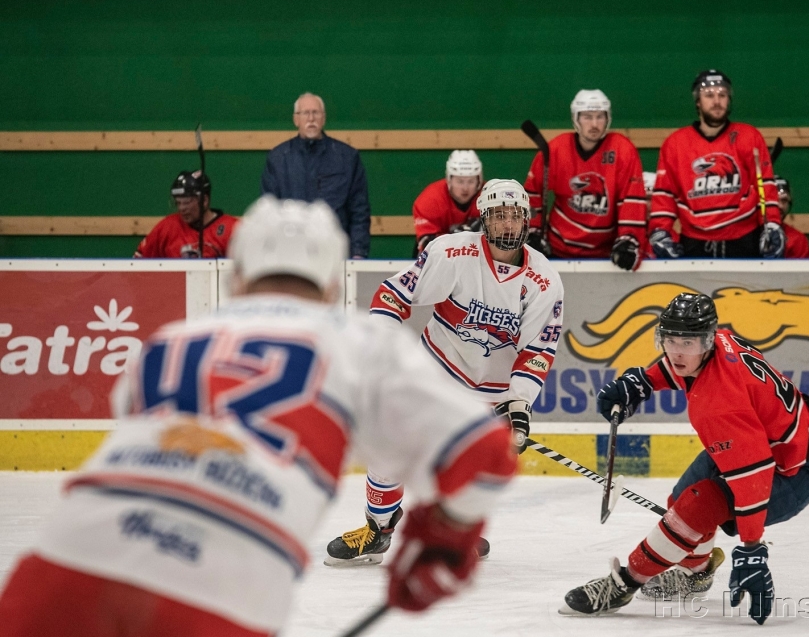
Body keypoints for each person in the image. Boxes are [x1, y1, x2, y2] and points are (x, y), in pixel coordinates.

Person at [0, 197, 518, 636]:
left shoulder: (171, 340)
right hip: (217, 595)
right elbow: (488, 456)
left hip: (59, 568)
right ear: (334, 285)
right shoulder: (359, 341)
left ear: (238, 274)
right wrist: (441, 543)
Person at [325, 179, 564, 565]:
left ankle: (455, 531)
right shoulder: (452, 253)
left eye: (515, 216)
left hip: (491, 391)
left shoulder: (545, 281)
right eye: (499, 216)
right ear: (484, 220)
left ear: (527, 220)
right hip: (435, 371)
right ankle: (377, 530)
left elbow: (539, 349)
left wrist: (518, 403)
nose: (507, 225)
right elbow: (393, 295)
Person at [561, 292, 809, 625]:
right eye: (669, 339)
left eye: (686, 343)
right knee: (680, 501)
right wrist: (644, 382)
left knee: (694, 509)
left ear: (705, 341)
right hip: (774, 441)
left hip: (793, 473)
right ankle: (695, 574)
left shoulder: (719, 406)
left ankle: (623, 584)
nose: (676, 351)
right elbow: (682, 368)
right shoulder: (721, 340)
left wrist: (751, 550)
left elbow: (753, 480)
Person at [649, 70, 785, 259]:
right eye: (709, 96)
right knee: (692, 291)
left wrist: (772, 223)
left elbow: (765, 185)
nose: (717, 101)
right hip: (694, 242)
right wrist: (660, 231)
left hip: (744, 241)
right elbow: (665, 194)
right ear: (698, 101)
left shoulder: (749, 137)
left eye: (722, 95)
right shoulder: (675, 144)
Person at [523, 89, 648, 271]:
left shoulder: (622, 150)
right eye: (587, 117)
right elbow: (531, 194)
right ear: (576, 119)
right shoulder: (556, 149)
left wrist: (629, 238)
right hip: (558, 251)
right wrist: (532, 231)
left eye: (600, 117)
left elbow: (631, 200)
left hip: (606, 255)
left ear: (608, 118)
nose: (594, 124)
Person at [260, 92, 371, 258]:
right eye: (305, 113)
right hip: (290, 256)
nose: (311, 118)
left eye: (316, 112)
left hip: (335, 256)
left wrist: (358, 254)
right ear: (296, 119)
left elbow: (359, 211)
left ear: (323, 118)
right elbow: (269, 213)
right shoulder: (277, 159)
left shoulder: (347, 157)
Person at [134, 170, 237, 258]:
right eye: (178, 203)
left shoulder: (232, 229)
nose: (181, 208)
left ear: (204, 200)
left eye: (187, 202)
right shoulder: (167, 227)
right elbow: (137, 266)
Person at [411, 150, 484, 256]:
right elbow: (427, 244)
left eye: (471, 181)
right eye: (460, 181)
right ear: (449, 180)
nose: (465, 188)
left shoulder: (489, 197)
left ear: (479, 181)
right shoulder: (430, 200)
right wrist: (459, 237)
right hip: (437, 259)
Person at [776, 178, 809, 258]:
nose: (780, 206)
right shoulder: (747, 237)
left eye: (784, 200)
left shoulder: (798, 240)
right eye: (775, 199)